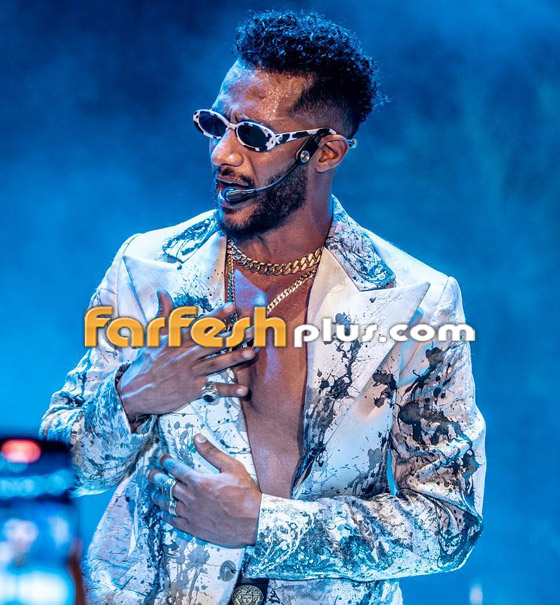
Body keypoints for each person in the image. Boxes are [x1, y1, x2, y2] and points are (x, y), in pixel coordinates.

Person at [39, 9, 486, 605]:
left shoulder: (417, 305)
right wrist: (134, 394)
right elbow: (57, 472)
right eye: (216, 125)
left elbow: (448, 523)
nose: (222, 154)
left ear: (326, 151)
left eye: (252, 136)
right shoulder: (148, 270)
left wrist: (263, 526)